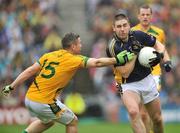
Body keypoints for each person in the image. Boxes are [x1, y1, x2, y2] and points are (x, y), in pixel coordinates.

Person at [1, 32, 134, 133]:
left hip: (29, 98)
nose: (81, 45)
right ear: (73, 46)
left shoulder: (49, 55)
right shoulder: (73, 59)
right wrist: (116, 60)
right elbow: (97, 62)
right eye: (79, 43)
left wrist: (11, 86)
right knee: (72, 121)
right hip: (43, 101)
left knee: (48, 122)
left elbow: (29, 71)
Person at [106, 9, 172, 133]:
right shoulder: (113, 46)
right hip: (126, 83)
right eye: (119, 26)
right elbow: (125, 72)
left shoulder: (138, 35)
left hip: (147, 79)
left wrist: (161, 56)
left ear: (129, 25)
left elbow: (159, 44)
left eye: (124, 25)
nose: (122, 29)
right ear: (113, 28)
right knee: (133, 112)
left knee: (157, 118)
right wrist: (135, 53)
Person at [131, 5, 166, 133]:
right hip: (138, 75)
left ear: (151, 16)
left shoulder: (159, 32)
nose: (145, 17)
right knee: (143, 114)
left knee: (151, 113)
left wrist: (167, 61)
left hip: (154, 73)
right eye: (143, 14)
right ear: (138, 16)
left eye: (148, 14)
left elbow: (162, 48)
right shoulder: (131, 32)